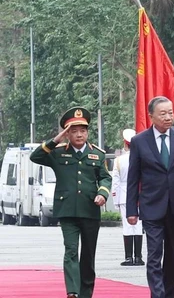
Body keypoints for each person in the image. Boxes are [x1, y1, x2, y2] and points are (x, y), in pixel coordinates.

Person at [126, 96, 174, 298]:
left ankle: (170, 292)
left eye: (171, 112)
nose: (168, 117)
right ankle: (158, 295)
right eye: (163, 113)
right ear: (151, 116)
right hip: (152, 206)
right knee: (154, 255)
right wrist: (131, 210)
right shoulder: (139, 141)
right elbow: (133, 178)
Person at [30, 107, 112, 298]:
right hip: (67, 211)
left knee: (88, 255)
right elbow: (35, 157)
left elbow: (106, 178)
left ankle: (86, 293)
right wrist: (56, 139)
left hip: (90, 210)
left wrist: (103, 193)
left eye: (82, 130)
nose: (79, 134)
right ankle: (73, 292)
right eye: (73, 131)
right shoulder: (58, 153)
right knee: (71, 250)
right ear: (67, 134)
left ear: (87, 132)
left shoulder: (97, 154)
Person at [112, 129, 144, 266]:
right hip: (141, 195)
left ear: (125, 145)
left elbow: (116, 182)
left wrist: (115, 200)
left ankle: (128, 257)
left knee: (127, 226)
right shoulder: (143, 158)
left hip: (125, 195)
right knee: (139, 226)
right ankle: (138, 257)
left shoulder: (119, 160)